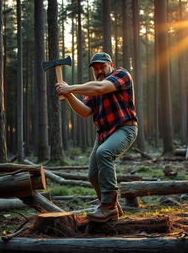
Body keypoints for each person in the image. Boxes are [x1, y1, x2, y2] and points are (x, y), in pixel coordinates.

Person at [55, 52, 138, 222]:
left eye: (102, 66)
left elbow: (101, 88)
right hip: (103, 135)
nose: (99, 70)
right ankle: (113, 209)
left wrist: (70, 88)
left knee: (104, 153)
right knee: (93, 175)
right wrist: (69, 94)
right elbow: (85, 111)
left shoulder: (121, 75)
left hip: (125, 129)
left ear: (111, 65)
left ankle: (108, 207)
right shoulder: (92, 89)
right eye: (96, 68)